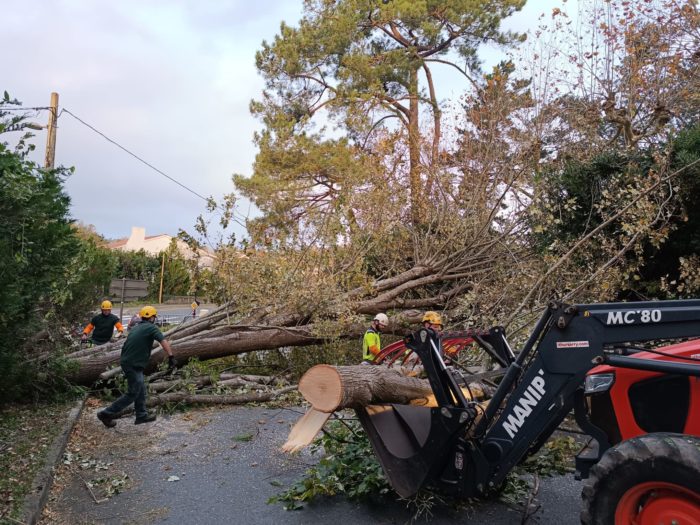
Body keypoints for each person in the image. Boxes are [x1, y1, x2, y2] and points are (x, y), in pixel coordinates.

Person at [96, 306, 175, 427]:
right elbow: (163, 341)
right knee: (133, 393)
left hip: (129, 362)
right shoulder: (151, 328)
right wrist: (171, 357)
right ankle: (106, 413)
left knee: (141, 388)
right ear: (152, 317)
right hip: (133, 364)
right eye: (154, 317)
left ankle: (141, 416)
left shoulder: (136, 327)